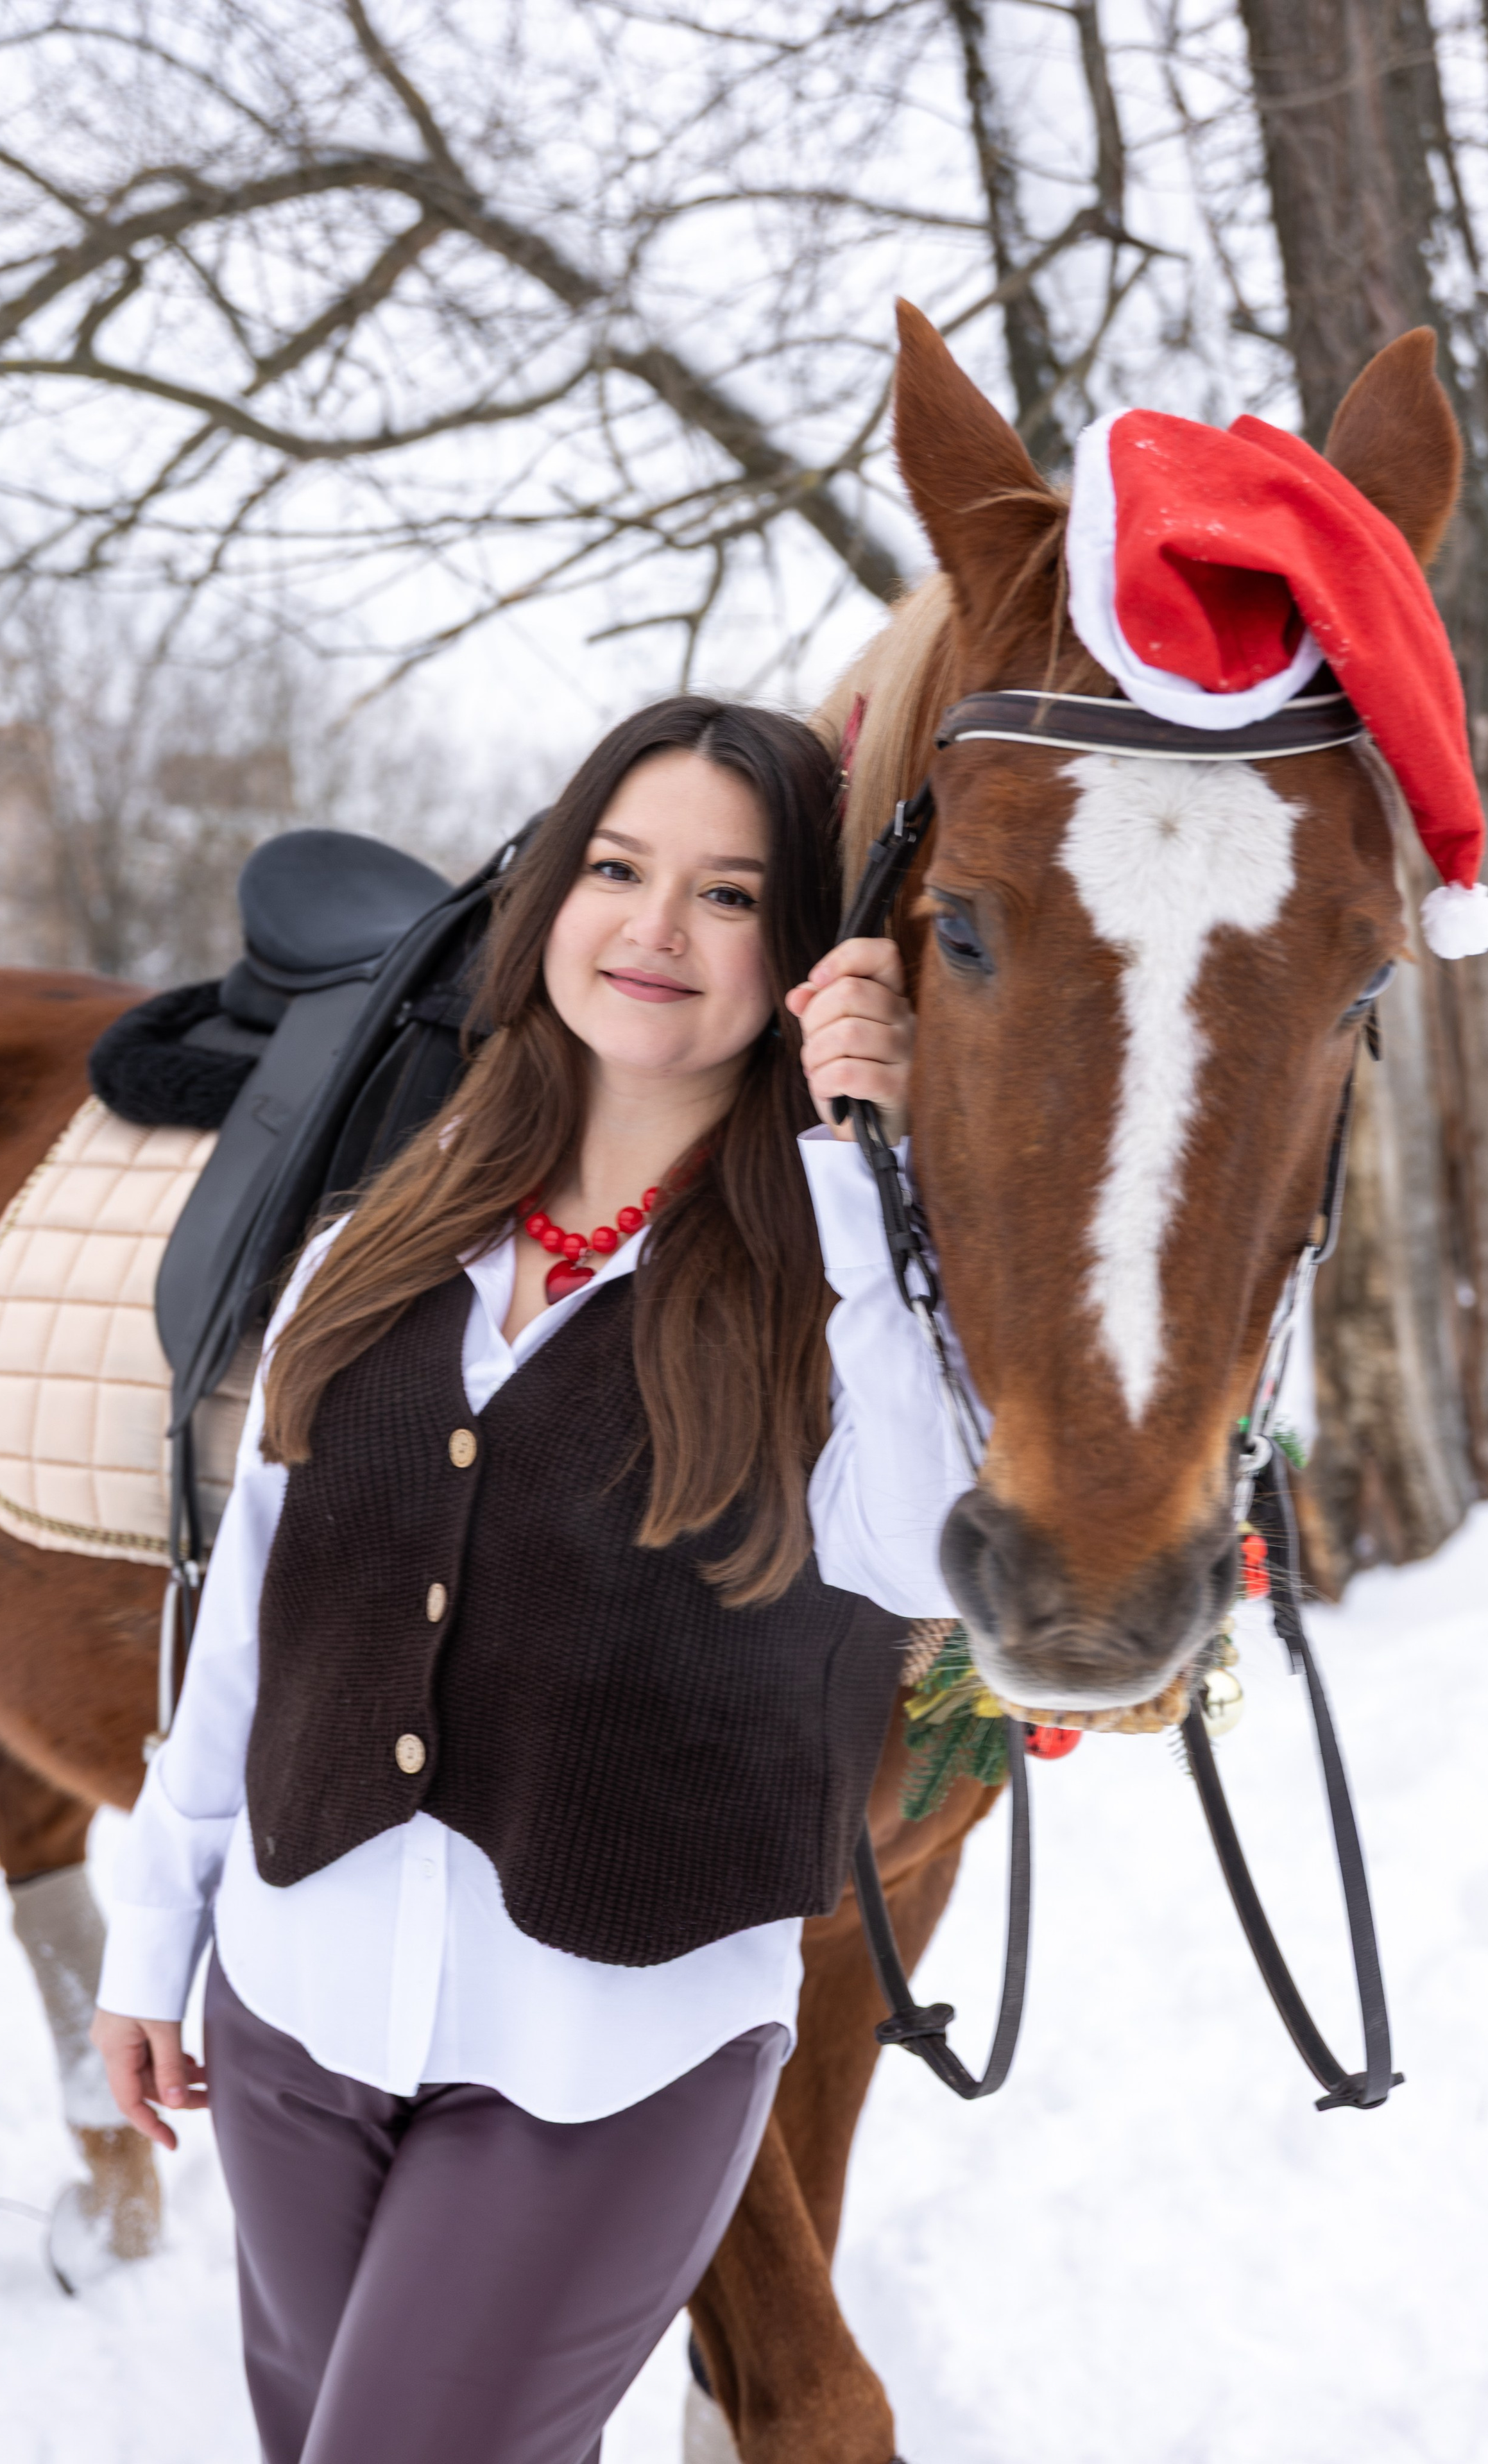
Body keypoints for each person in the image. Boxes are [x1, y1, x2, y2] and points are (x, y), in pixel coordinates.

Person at [92, 696, 971, 2464]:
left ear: (803, 953)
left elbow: (930, 1537)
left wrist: (861, 1152)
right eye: (617, 867)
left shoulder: (839, 1285)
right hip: (293, 2018)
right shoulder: (379, 1236)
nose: (654, 929)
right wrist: (152, 1942)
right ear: (549, 893)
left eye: (729, 896)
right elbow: (254, 1633)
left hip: (609, 2060)